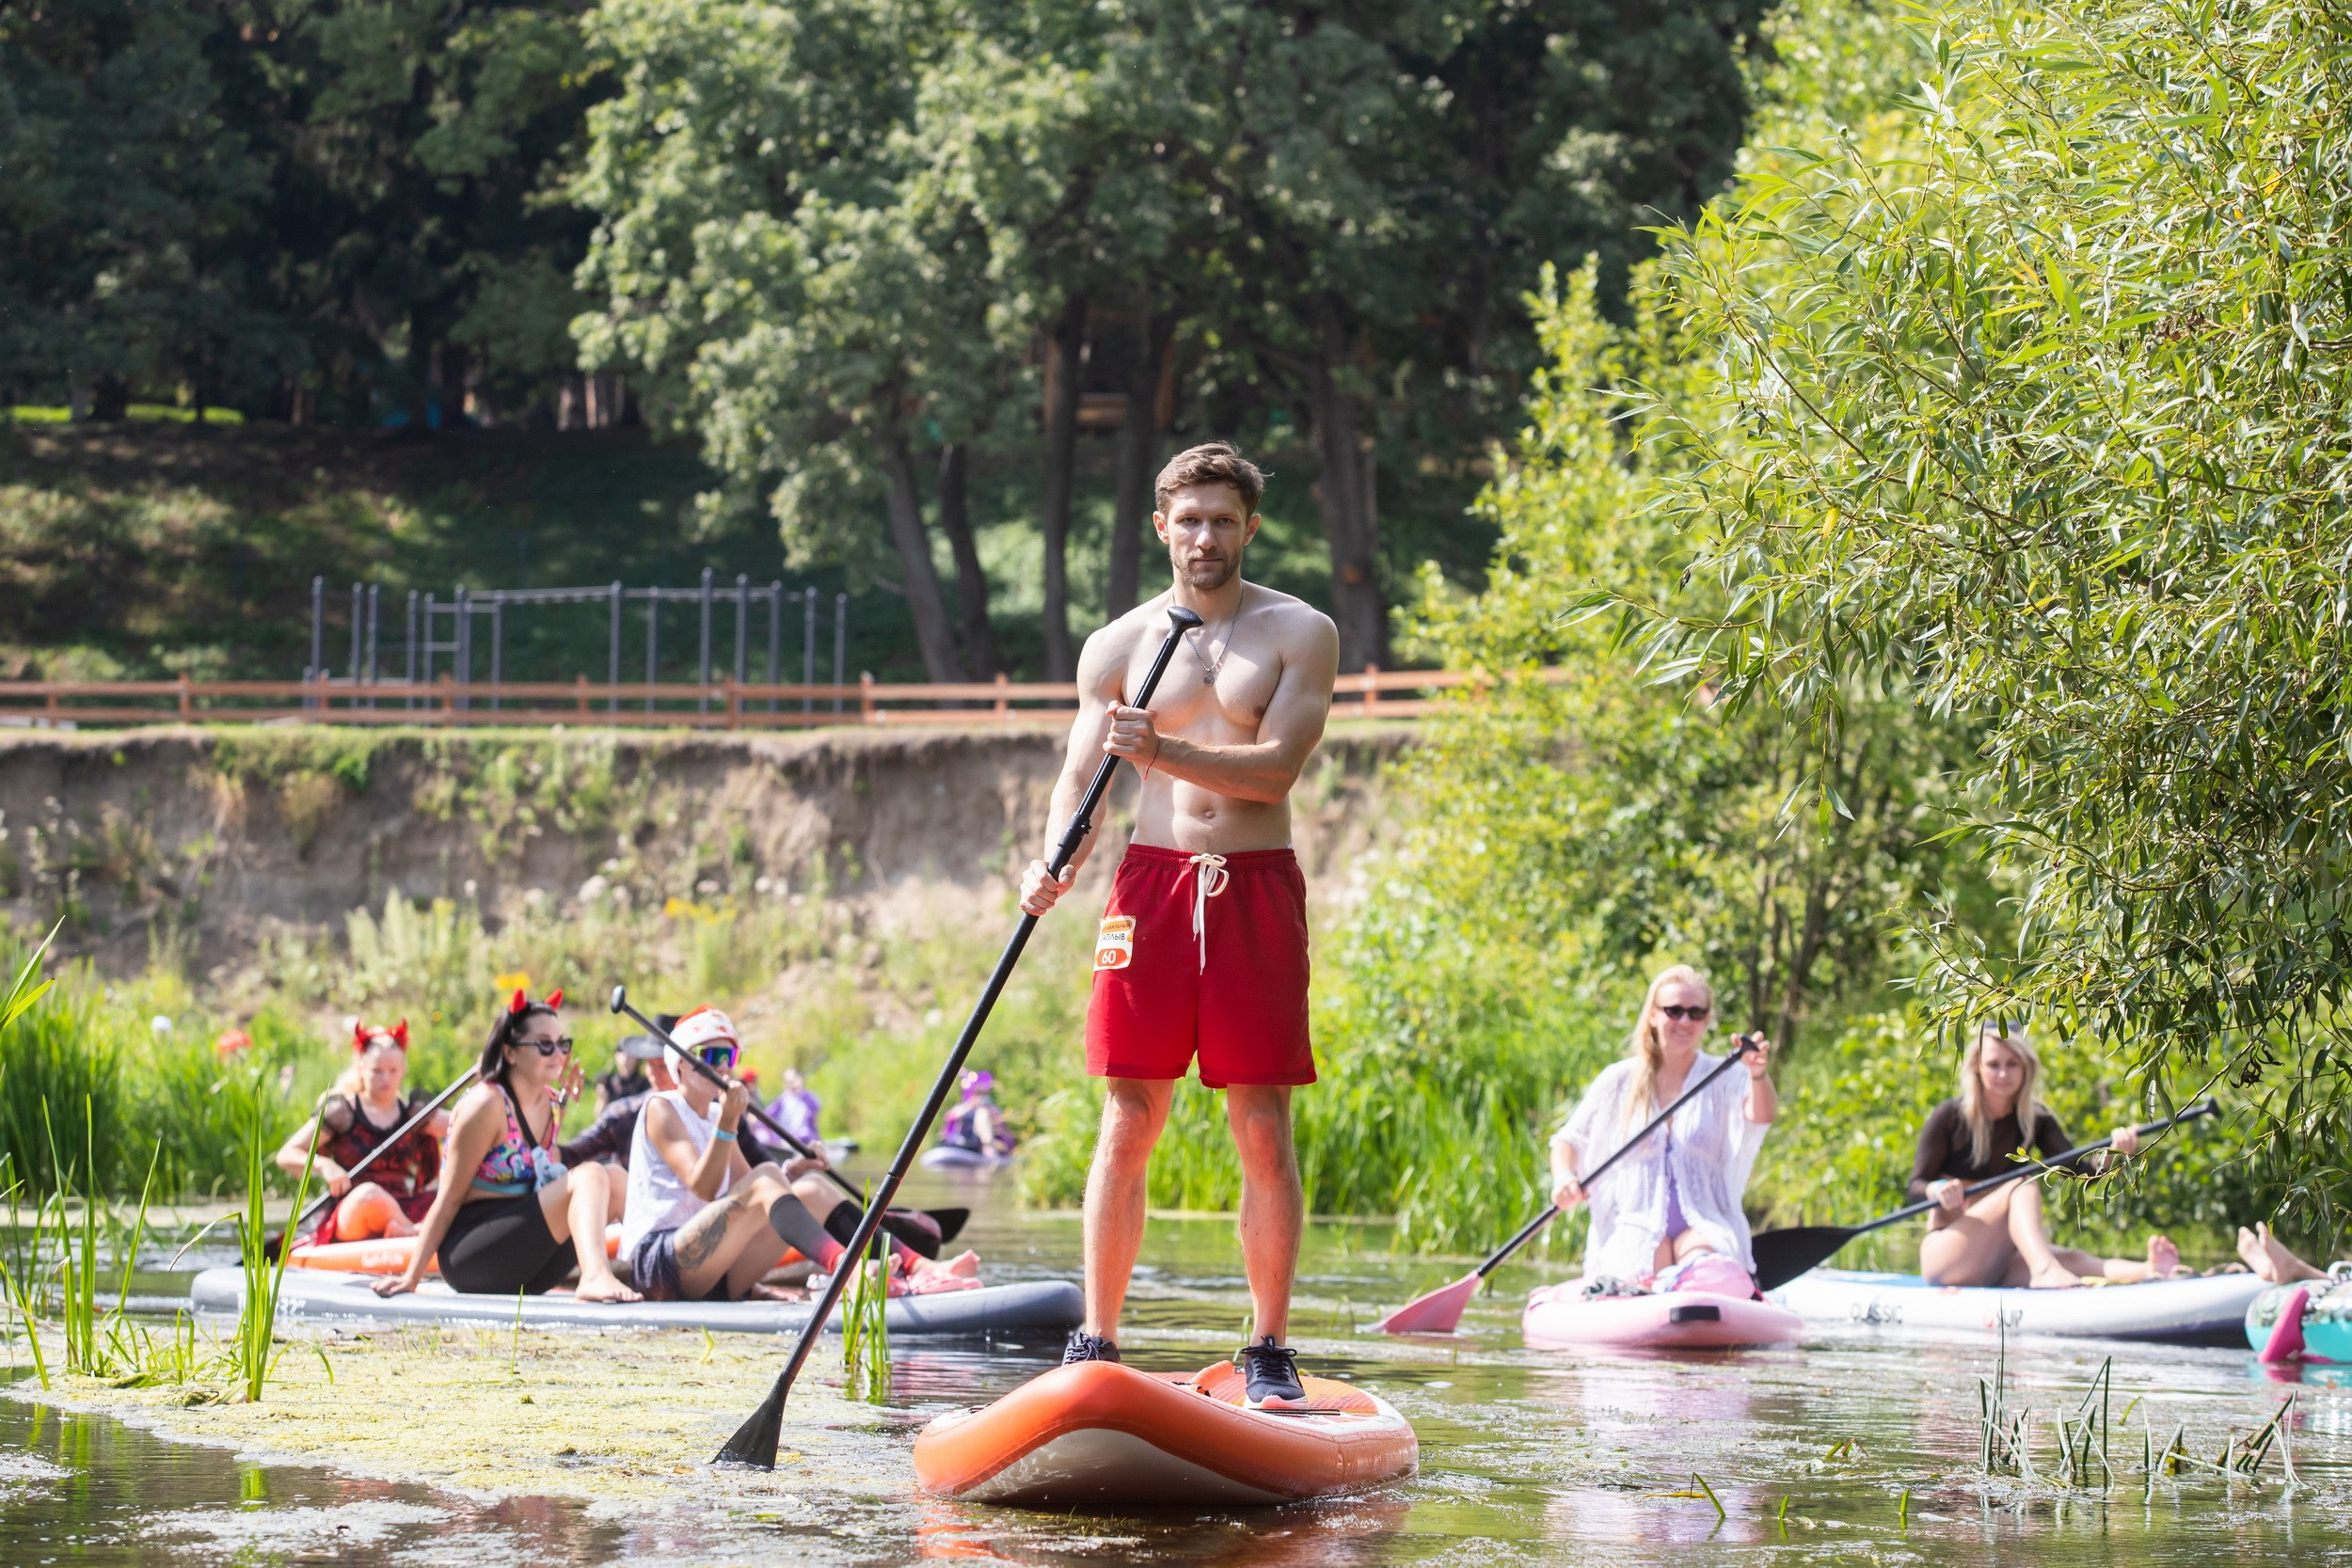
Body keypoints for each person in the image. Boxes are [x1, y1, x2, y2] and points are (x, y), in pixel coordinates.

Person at [1018, 442, 1340, 1410]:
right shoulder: (1118, 645)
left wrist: (1165, 746)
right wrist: (1053, 859)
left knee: (1258, 1117)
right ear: (1161, 526)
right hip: (1148, 887)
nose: (1204, 535)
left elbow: (1275, 767)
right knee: (1128, 1114)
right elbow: (1083, 777)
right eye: (1186, 518)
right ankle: (1098, 1336)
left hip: (1251, 887)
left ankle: (1268, 1345)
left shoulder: (1298, 630)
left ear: (1249, 526)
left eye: (1221, 518)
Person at [622, 1006, 979, 1300]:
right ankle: (846, 1271)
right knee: (767, 1179)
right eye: (710, 1055)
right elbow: (703, 1186)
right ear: (681, 1064)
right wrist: (729, 1121)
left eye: (727, 1055)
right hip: (661, 1267)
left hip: (711, 1269)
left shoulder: (716, 1115)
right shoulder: (662, 1107)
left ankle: (919, 1267)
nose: (721, 1066)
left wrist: (794, 1170)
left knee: (811, 1189)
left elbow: (753, 1188)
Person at [374, 990, 640, 1302]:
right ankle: (595, 1276)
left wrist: (563, 1107)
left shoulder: (552, 1102)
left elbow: (544, 1168)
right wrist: (411, 1277)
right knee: (591, 1174)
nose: (557, 1053)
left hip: (524, 1257)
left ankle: (658, 1272)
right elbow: (447, 1201)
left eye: (562, 1044)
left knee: (615, 1178)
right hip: (472, 1253)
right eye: (544, 1044)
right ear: (510, 1053)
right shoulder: (486, 1105)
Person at [1548, 966, 1777, 1293]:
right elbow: (1568, 1141)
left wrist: (1757, 1074)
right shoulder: (1619, 1079)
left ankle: (1684, 1284)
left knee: (1710, 1269)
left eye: (1696, 1013)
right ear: (1654, 1016)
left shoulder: (1726, 1075)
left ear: (1707, 1020)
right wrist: (1564, 1179)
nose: (1685, 1021)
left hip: (1703, 1223)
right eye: (1674, 1011)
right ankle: (1660, 1285)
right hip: (1636, 1226)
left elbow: (1761, 1115)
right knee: (1639, 1264)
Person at [1911, 1022, 2179, 1288]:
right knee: (2021, 1184)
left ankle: (2151, 1270)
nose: (2003, 1073)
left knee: (2071, 1258)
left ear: (2026, 1067)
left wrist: (2114, 1153)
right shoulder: (1949, 1117)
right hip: (1946, 1256)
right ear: (1976, 1067)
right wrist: (1938, 1189)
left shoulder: (2035, 1119)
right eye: (1993, 1065)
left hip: (1997, 1259)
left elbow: (2082, 1174)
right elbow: (1915, 1187)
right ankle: (2044, 1270)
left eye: (2012, 1064)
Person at [275, 1019, 445, 1245]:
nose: (386, 1079)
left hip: (406, 1206)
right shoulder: (342, 1111)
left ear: (403, 1070)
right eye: (377, 1071)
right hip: (355, 1210)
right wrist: (324, 1165)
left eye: (393, 1071)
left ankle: (407, 1231)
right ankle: (415, 1235)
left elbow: (470, 1120)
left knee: (458, 1196)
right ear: (362, 1068)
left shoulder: (415, 1114)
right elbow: (286, 1155)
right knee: (370, 1195)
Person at [939, 1070, 1016, 1159]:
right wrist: (970, 1107)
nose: (978, 1097)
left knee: (982, 1114)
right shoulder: (964, 1107)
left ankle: (989, 1149)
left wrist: (987, 1109)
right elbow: (949, 1117)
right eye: (976, 1093)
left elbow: (1001, 1125)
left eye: (980, 1094)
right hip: (963, 1143)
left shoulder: (988, 1108)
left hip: (983, 1144)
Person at [595, 1035, 658, 1113]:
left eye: (629, 1053)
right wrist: (602, 1100)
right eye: (621, 1052)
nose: (625, 1058)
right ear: (615, 1056)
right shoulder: (608, 1083)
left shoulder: (646, 1083)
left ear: (637, 1058)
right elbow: (600, 1117)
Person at [766, 1067, 822, 1148]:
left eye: (792, 1080)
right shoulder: (783, 1099)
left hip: (804, 1138)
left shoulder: (809, 1098)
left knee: (804, 1134)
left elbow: (814, 1112)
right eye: (788, 1081)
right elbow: (769, 1115)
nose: (791, 1083)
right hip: (785, 1138)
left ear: (800, 1079)